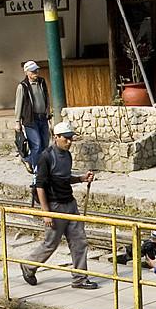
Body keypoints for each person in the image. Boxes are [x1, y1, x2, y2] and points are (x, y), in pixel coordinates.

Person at [26, 120, 97, 288]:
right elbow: (40, 186)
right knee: (51, 243)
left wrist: (81, 179)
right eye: (66, 138)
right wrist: (46, 213)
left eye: (71, 138)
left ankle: (80, 279)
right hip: (54, 206)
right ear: (56, 137)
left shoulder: (67, 155)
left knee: (79, 241)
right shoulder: (46, 157)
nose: (69, 142)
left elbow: (64, 179)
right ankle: (28, 265)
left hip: (70, 203)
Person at [13, 59, 51, 175]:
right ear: (27, 72)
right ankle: (37, 170)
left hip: (42, 117)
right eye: (33, 71)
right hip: (30, 119)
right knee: (36, 144)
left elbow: (46, 97)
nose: (36, 73)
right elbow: (18, 104)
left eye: (36, 70)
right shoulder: (23, 86)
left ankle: (28, 160)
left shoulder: (41, 82)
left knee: (45, 143)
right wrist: (17, 121)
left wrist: (48, 111)